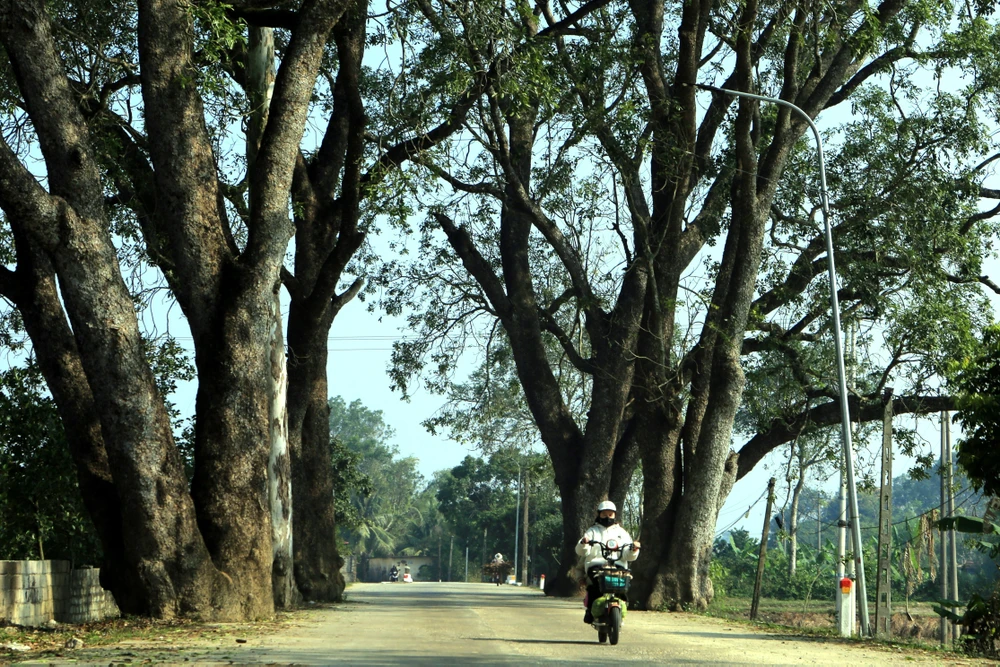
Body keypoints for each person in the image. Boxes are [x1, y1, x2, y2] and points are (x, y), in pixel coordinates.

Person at [575, 500, 640, 624]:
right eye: (604, 514)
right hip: (596, 565)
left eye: (610, 514)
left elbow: (628, 555)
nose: (607, 517)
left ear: (615, 515)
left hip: (618, 565)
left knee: (622, 588)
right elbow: (581, 551)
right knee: (595, 587)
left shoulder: (622, 533)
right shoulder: (592, 531)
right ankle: (590, 610)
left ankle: (620, 612)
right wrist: (584, 543)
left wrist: (634, 549)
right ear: (599, 514)